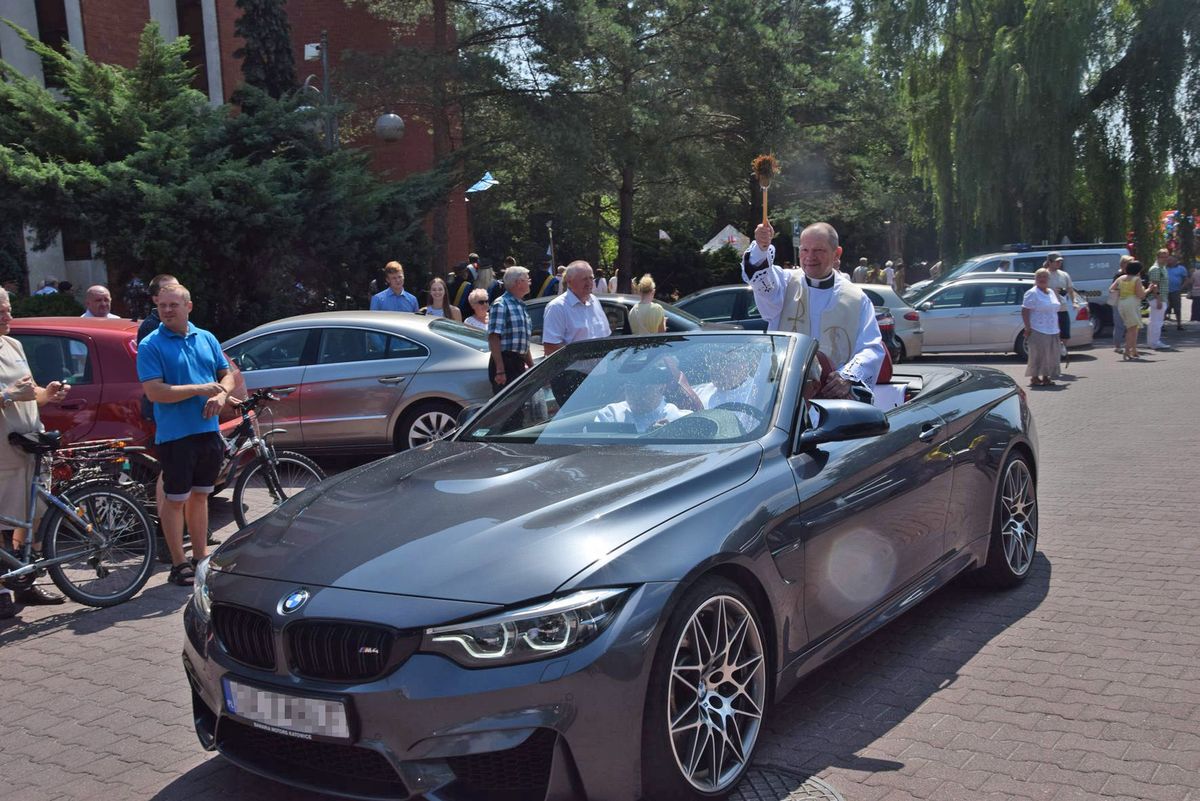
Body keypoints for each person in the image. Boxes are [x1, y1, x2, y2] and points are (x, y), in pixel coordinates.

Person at [137, 283, 235, 586]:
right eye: (162, 306)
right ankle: (179, 563)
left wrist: (221, 396)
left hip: (207, 432)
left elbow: (226, 375)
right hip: (175, 436)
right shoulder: (151, 344)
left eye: (173, 305)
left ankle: (200, 557)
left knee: (202, 496)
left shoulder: (206, 338)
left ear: (188, 307)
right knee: (175, 500)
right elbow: (154, 392)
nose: (166, 310)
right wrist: (200, 389)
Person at [743, 221, 885, 400]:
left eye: (819, 250)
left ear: (837, 253)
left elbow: (871, 347)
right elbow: (761, 278)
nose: (810, 257)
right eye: (805, 250)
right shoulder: (785, 284)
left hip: (833, 399)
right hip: (783, 395)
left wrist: (847, 376)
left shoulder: (857, 299)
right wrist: (762, 248)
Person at [0, 287, 71, 610]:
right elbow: (14, 393)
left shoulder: (13, 344)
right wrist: (9, 395)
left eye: (8, 308)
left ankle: (26, 583)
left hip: (32, 443)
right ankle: (3, 591)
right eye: (2, 311)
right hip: (4, 451)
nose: (9, 316)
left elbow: (30, 392)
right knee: (4, 521)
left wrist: (49, 394)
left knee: (34, 516)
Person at [592, 360, 688, 433]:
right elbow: (597, 451)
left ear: (661, 389)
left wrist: (670, 435)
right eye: (630, 388)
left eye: (643, 389)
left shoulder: (680, 420)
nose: (635, 395)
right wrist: (647, 436)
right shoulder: (611, 415)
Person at [541, 261, 612, 356]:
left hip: (601, 368)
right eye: (584, 279)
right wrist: (583, 357)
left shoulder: (595, 301)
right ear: (569, 282)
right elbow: (551, 347)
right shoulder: (557, 307)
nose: (589, 283)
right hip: (573, 370)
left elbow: (606, 336)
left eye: (591, 278)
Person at [487, 266, 534, 394]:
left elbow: (523, 342)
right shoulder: (501, 304)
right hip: (505, 363)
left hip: (518, 363)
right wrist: (500, 370)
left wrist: (531, 366)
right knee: (508, 410)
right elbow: (493, 337)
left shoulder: (521, 305)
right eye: (527, 279)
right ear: (518, 283)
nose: (530, 282)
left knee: (520, 408)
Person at [1021, 268, 1062, 386]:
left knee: (1051, 354)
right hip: (1038, 328)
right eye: (1039, 277)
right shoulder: (1032, 293)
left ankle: (1046, 377)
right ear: (1035, 279)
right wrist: (1027, 327)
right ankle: (1034, 377)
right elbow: (1025, 311)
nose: (1042, 279)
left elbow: (1054, 311)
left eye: (1045, 277)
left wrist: (1058, 328)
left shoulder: (1051, 292)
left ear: (1049, 279)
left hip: (1052, 328)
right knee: (1038, 354)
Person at [1110, 260, 1153, 360]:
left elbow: (1111, 289)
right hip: (1132, 303)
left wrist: (1121, 292)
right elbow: (1141, 295)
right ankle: (1127, 351)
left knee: (1133, 327)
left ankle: (1133, 350)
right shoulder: (1136, 279)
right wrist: (1149, 289)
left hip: (1122, 303)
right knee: (1132, 329)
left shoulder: (1121, 277)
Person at [1044, 252, 1075, 358]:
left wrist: (1074, 301)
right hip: (1049, 310)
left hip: (1062, 308)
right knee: (1052, 333)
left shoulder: (1064, 275)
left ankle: (1062, 349)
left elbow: (1070, 289)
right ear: (1049, 262)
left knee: (1065, 333)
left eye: (1060, 261)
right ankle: (1053, 353)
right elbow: (1038, 289)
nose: (1059, 263)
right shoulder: (1044, 274)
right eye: (1057, 261)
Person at [1145, 249, 1169, 349]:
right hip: (1157, 298)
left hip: (1162, 298)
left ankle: (1152, 342)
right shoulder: (1156, 268)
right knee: (1157, 322)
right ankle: (1155, 343)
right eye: (1163, 256)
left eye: (1167, 256)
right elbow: (1154, 285)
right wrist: (1158, 299)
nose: (1165, 259)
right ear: (1158, 257)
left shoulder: (1162, 268)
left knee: (1154, 321)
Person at [1166, 254, 1188, 330]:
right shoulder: (1164, 268)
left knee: (1177, 308)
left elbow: (1186, 279)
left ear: (1175, 261)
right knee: (1165, 307)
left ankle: (1179, 324)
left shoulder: (1181, 269)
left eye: (1170, 260)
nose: (1168, 261)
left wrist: (1181, 288)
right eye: (1168, 260)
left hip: (1176, 290)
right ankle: (1161, 325)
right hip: (1165, 290)